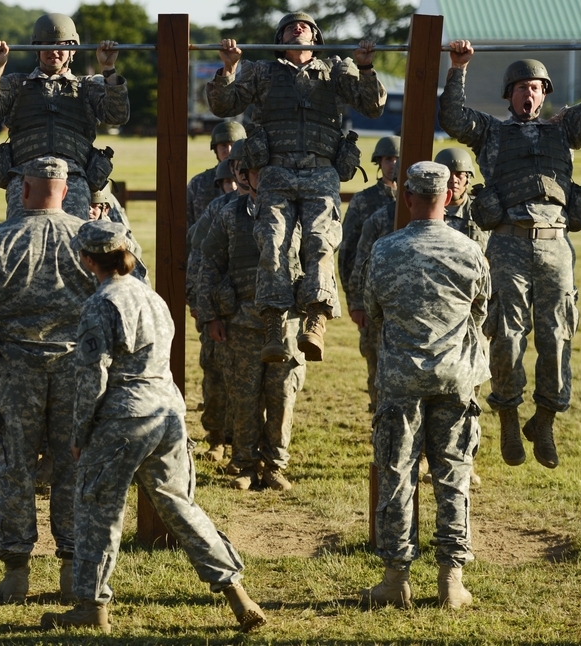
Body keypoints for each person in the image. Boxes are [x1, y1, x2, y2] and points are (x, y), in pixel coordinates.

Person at [40, 220, 265, 634]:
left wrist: (78, 436)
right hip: (167, 412)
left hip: (123, 416)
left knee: (97, 510)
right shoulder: (151, 296)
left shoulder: (101, 303)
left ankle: (90, 607)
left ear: (88, 260)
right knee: (180, 506)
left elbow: (93, 378)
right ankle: (237, 593)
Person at [439, 40, 581, 468]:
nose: (530, 93)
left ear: (545, 93)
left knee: (557, 334)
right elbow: (452, 118)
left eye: (537, 87)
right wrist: (458, 68)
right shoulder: (492, 132)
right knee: (506, 334)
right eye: (521, 87)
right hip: (508, 242)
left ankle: (544, 418)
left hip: (556, 241)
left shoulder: (565, 129)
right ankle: (507, 414)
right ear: (510, 94)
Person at [0, 157, 98, 604]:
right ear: (66, 192)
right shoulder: (88, 238)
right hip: (76, 369)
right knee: (75, 467)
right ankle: (73, 568)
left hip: (16, 368)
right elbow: (129, 289)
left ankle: (16, 572)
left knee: (15, 468)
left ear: (24, 191)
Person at [208, 12, 386, 363]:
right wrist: (228, 69)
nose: (297, 28)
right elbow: (223, 105)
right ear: (280, 40)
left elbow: (374, 107)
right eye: (290, 27)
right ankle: (274, 321)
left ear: (315, 40)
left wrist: (365, 68)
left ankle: (315, 317)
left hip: (321, 171)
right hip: (275, 171)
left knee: (320, 241)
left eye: (304, 26)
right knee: (273, 241)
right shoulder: (261, 72)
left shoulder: (336, 69)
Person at [360, 161, 489, 610]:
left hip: (400, 383)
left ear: (408, 198)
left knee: (398, 477)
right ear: (449, 198)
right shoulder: (469, 251)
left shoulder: (384, 249)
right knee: (452, 479)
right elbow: (480, 312)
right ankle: (451, 582)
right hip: (455, 379)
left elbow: (373, 310)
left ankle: (396, 580)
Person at [198, 153, 306, 490]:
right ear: (245, 176)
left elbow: (316, 263)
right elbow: (208, 264)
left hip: (285, 324)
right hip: (241, 323)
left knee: (281, 397)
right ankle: (243, 464)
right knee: (243, 397)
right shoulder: (229, 215)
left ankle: (274, 465)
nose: (263, 177)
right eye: (257, 171)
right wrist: (211, 315)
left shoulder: (297, 214)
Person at [0, 13, 129, 220]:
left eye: (61, 45)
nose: (53, 51)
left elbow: (117, 115)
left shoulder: (89, 86)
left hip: (72, 179)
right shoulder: (16, 84)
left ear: (73, 49)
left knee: (72, 245)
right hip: (25, 178)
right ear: (36, 48)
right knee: (25, 245)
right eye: (46, 44)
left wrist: (108, 70)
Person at [186, 155, 242, 463]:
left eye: (235, 180)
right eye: (226, 182)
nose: (232, 186)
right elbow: (197, 259)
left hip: (245, 309)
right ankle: (216, 437)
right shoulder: (214, 213)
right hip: (214, 307)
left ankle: (241, 441)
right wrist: (198, 303)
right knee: (215, 374)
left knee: (245, 380)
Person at [340, 136, 398, 411]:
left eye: (398, 159)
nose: (394, 164)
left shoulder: (419, 198)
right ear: (379, 163)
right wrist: (355, 301)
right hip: (373, 301)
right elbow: (349, 252)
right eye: (388, 159)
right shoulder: (365, 201)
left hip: (406, 300)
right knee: (376, 369)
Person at [187, 121, 245, 228]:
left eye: (233, 145)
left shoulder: (252, 181)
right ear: (215, 149)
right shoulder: (198, 183)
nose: (228, 151)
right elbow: (187, 224)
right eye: (223, 146)